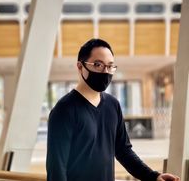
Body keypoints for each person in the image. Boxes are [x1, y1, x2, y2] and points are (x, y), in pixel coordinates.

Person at [46, 38, 180, 181]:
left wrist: (154, 176)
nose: (105, 71)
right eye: (98, 65)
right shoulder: (64, 110)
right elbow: (57, 169)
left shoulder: (112, 105)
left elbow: (123, 151)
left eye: (110, 66)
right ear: (80, 67)